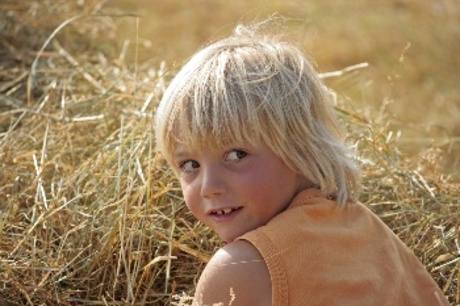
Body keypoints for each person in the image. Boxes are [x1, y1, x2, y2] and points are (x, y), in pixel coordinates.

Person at [155, 21, 449, 306]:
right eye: (190, 163)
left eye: (236, 155)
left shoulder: (240, 269)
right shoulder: (372, 232)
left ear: (300, 149)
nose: (208, 187)